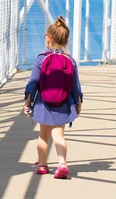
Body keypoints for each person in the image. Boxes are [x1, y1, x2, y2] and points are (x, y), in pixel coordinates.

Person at [24, 16, 83, 179]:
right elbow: (75, 85)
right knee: (59, 135)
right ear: (65, 40)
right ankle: (62, 163)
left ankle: (42, 165)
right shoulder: (70, 60)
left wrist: (28, 101)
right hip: (63, 104)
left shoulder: (41, 59)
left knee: (43, 135)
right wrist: (78, 102)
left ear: (48, 38)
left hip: (43, 104)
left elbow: (33, 83)